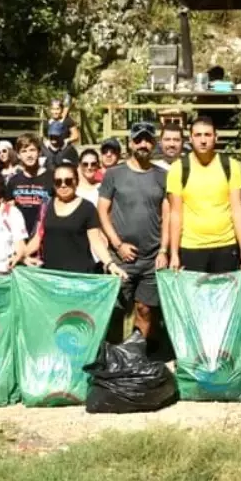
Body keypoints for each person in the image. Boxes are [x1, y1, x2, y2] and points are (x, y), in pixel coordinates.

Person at [98, 122, 170, 340]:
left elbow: (167, 214)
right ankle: (113, 358)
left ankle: (137, 357)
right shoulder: (114, 174)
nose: (143, 144)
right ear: (130, 143)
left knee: (145, 310)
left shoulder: (162, 176)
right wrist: (118, 245)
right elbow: (102, 211)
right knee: (116, 310)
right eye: (138, 139)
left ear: (154, 143)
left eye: (148, 140)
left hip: (151, 256)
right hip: (121, 256)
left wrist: (163, 250)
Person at [167, 116, 241, 273]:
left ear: (215, 137)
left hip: (226, 245)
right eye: (198, 135)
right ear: (190, 138)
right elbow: (175, 214)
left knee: (225, 297)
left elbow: (237, 209)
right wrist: (174, 253)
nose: (203, 140)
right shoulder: (178, 169)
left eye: (207, 135)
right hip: (191, 247)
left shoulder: (231, 166)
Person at [26, 161, 119, 277]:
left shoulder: (87, 208)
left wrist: (110, 264)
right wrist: (21, 255)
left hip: (79, 277)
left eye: (68, 181)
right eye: (58, 182)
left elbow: (96, 241)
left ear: (76, 182)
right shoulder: (46, 206)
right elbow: (38, 238)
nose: (63, 185)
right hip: (51, 277)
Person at [6, 133, 53, 238]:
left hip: (46, 236)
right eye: (24, 151)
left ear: (39, 152)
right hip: (21, 237)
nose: (29, 155)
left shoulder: (52, 178)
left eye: (32, 150)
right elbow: (9, 211)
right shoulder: (13, 181)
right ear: (18, 155)